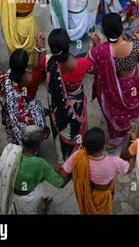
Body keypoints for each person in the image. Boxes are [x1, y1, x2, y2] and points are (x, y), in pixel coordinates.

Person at [89, 14, 139, 148]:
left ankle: (117, 138)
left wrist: (94, 44)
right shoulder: (134, 47)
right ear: (121, 28)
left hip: (114, 89)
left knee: (116, 112)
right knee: (133, 110)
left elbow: (91, 66)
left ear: (105, 32)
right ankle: (134, 132)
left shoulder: (102, 50)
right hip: (131, 85)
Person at [38, 28, 98, 165]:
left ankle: (63, 157)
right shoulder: (81, 64)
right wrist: (94, 45)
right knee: (77, 129)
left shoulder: (48, 62)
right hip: (76, 106)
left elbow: (40, 67)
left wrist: (40, 48)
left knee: (60, 129)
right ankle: (78, 152)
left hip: (57, 107)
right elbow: (95, 68)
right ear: (69, 45)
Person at [0, 37, 49, 145]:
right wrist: (41, 48)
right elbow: (40, 68)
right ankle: (33, 150)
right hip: (32, 112)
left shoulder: (4, 77)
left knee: (22, 138)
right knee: (33, 136)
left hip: (14, 116)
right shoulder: (33, 78)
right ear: (26, 65)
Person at [60, 127, 134, 215]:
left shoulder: (77, 156)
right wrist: (133, 147)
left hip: (87, 193)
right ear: (103, 146)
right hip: (102, 196)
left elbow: (63, 174)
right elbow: (129, 169)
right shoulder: (114, 162)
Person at [0, 125, 64, 214]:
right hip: (31, 199)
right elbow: (60, 183)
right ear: (37, 144)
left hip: (15, 196)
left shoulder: (11, 151)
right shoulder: (40, 164)